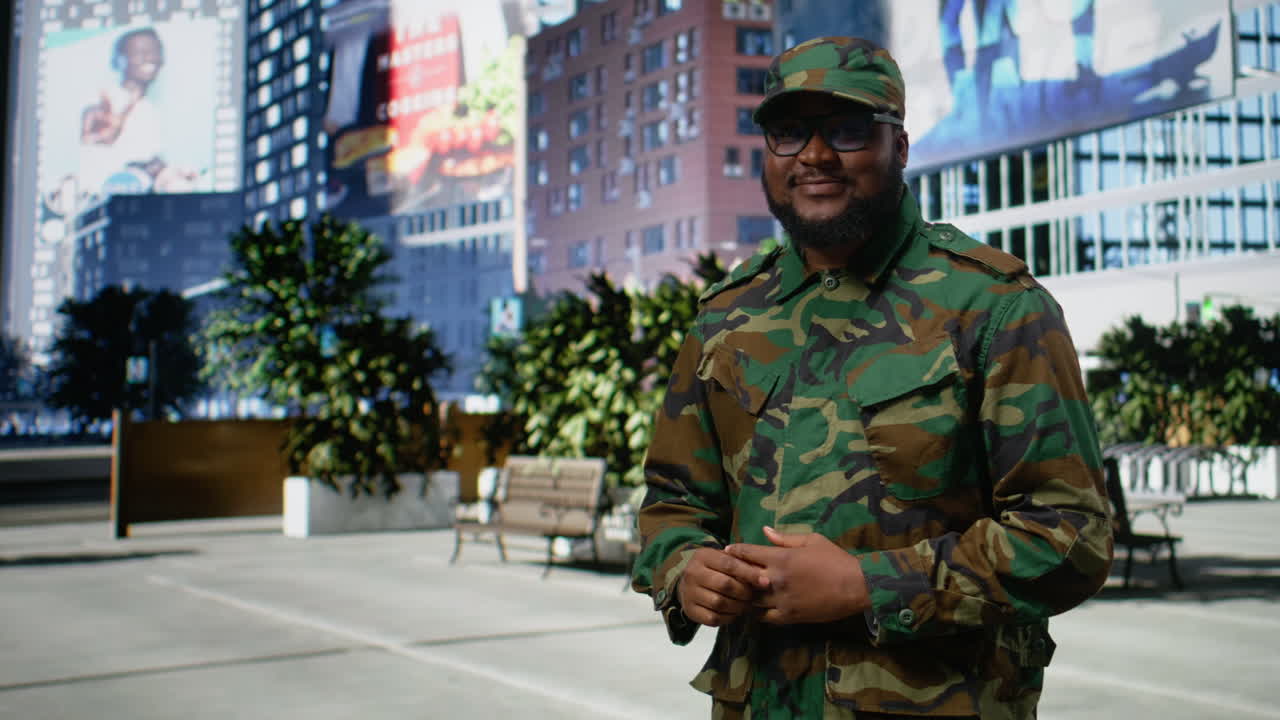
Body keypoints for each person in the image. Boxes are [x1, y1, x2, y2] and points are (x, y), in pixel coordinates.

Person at [631, 36, 1113, 719]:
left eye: (849, 129)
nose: (816, 157)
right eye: (790, 132)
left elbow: (1071, 536)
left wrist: (868, 584)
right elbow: (673, 503)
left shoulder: (993, 308)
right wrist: (683, 570)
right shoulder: (726, 320)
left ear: (901, 147)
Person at [78, 27, 196, 195]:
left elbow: (142, 161)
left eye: (156, 52)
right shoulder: (105, 101)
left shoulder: (148, 108)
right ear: (118, 60)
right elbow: (96, 150)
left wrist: (170, 171)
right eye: (140, 53)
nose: (151, 58)